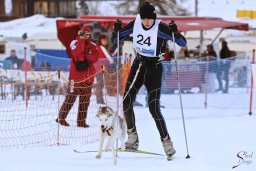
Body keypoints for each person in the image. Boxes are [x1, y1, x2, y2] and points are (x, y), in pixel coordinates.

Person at [111, 2, 187, 160]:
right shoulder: (135, 24)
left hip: (155, 68)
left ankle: (167, 143)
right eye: (144, 19)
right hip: (138, 65)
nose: (146, 22)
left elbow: (183, 43)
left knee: (153, 107)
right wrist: (116, 30)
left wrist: (176, 33)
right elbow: (115, 41)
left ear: (154, 18)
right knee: (127, 100)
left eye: (149, 19)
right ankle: (132, 139)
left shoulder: (161, 28)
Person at [56, 25, 99, 128]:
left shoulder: (92, 44)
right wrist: (81, 41)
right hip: (75, 77)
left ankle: (81, 121)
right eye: (84, 33)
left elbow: (95, 58)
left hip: (88, 78)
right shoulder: (74, 42)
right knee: (70, 98)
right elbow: (77, 54)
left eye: (88, 34)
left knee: (85, 101)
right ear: (80, 33)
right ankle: (61, 118)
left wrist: (85, 56)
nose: (86, 36)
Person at [95, 34, 114, 104]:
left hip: (100, 68)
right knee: (99, 84)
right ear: (100, 40)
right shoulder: (101, 48)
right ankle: (100, 100)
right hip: (99, 68)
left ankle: (100, 99)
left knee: (100, 84)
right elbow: (110, 60)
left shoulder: (102, 48)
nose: (105, 41)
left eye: (106, 40)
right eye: (103, 40)